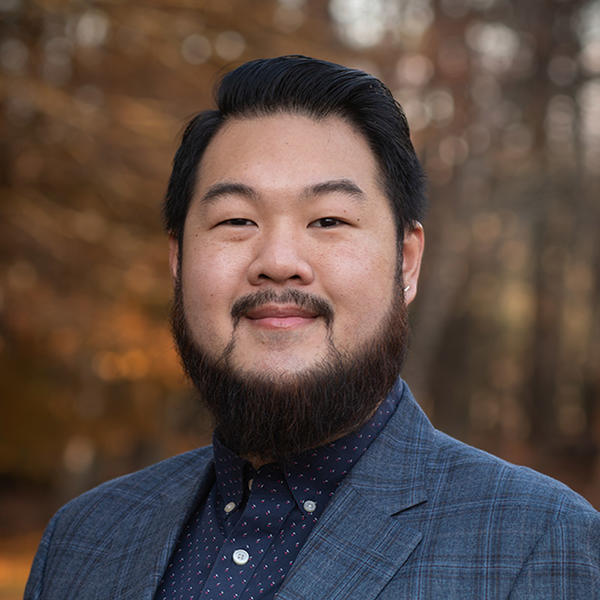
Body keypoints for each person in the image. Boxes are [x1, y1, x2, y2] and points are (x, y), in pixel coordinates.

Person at [25, 55, 598, 599]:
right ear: (178, 261)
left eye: (327, 219)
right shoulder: (83, 540)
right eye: (236, 220)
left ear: (406, 262)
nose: (278, 261)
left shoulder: (539, 543)